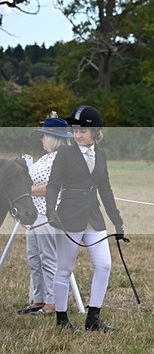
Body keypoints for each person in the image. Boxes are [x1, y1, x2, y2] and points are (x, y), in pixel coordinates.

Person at [45, 105, 124, 333]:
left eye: (83, 131)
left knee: (104, 264)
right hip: (68, 216)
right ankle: (61, 319)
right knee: (64, 268)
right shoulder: (65, 154)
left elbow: (105, 189)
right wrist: (51, 211)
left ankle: (93, 318)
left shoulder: (101, 155)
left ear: (95, 132)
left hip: (93, 216)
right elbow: (53, 185)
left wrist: (117, 221)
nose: (78, 135)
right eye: (75, 130)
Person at [17, 114, 73, 317]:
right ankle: (38, 299)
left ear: (53, 137)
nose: (41, 140)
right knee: (34, 258)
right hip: (35, 213)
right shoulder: (45, 158)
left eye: (44, 136)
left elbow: (52, 186)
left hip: (49, 212)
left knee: (49, 258)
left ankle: (52, 302)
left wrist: (26, 190)